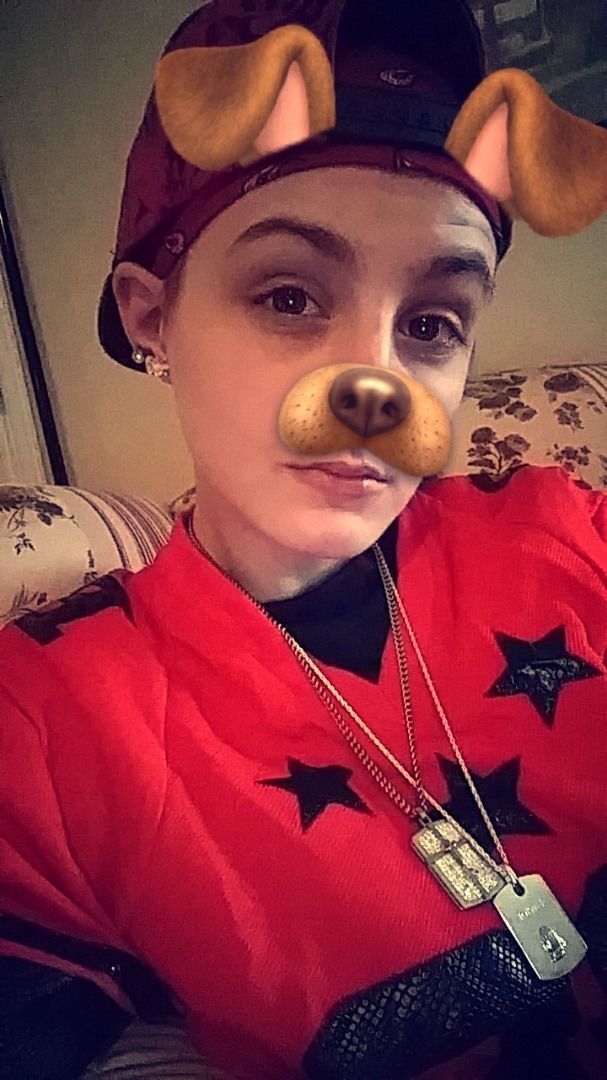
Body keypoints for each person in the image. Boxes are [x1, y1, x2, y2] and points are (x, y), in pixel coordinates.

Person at [1, 2, 606, 1078]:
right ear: (151, 316)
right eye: (289, 296)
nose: (373, 388)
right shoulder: (47, 718)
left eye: (431, 324)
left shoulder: (563, 532)